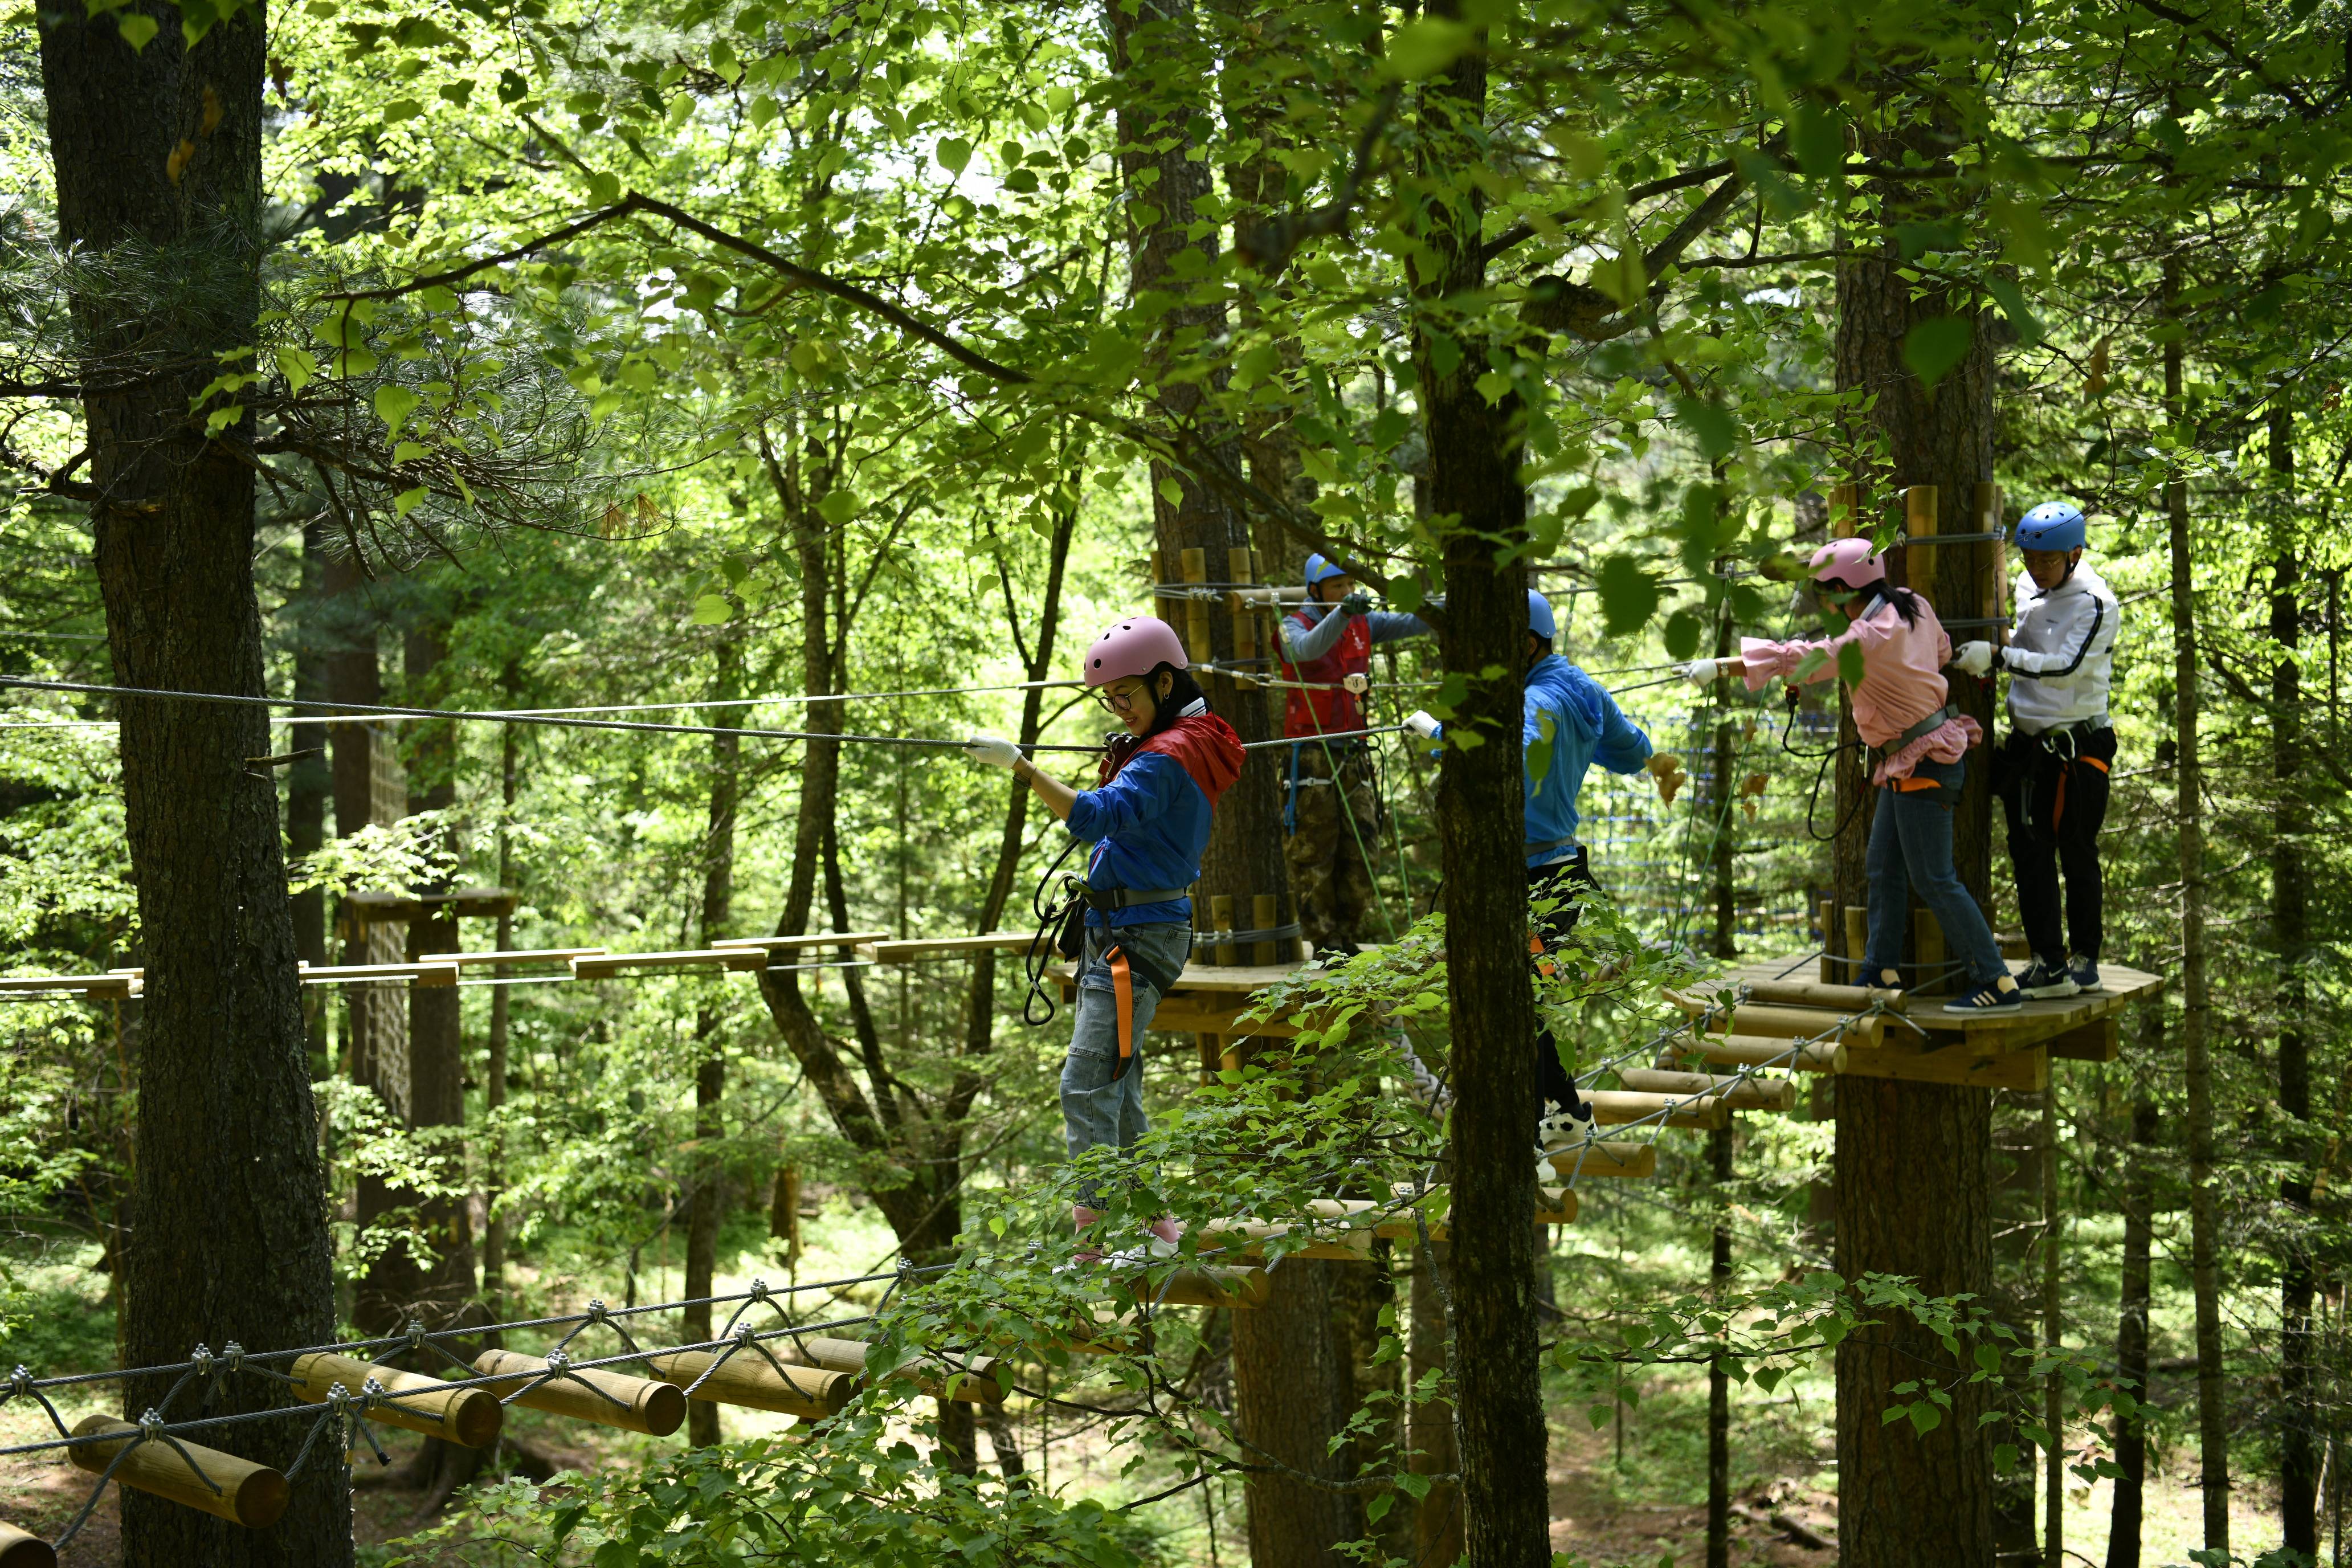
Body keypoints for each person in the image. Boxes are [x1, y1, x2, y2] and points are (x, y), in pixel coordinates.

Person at [963, 615, 1243, 1248]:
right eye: (1110, 699)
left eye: (1128, 696)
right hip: (1123, 927)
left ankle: (1095, 1242)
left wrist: (1024, 768)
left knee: (1085, 1086)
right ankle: (1155, 1228)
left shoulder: (1170, 757)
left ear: (1165, 682)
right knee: (1120, 1086)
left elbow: (1095, 818)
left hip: (1135, 939)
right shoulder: (1176, 741)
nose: (1119, 709)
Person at [1689, 539, 2021, 1012]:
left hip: (1923, 764)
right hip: (1910, 760)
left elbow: (1802, 658)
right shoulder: (1914, 606)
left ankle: (1996, 981)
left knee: (1934, 879)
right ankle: (1880, 971)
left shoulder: (1868, 636)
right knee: (1883, 866)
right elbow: (1941, 650)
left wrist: (1722, 667)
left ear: (1845, 590)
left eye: (1825, 593)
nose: (1823, 604)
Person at [1405, 587, 1653, 1154]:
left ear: (1526, 640)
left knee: (1519, 999)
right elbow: (1636, 751)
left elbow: (1504, 762)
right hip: (1558, 871)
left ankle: (1555, 1116)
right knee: (1529, 995)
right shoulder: (1582, 690)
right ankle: (1565, 1112)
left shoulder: (1538, 702)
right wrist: (1585, 746)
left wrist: (1438, 734)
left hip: (1531, 882)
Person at [1952, 501, 2120, 998]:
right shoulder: (2027, 585)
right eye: (2029, 559)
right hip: (2028, 745)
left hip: (2077, 744)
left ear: (2075, 554)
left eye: (2047, 561)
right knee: (2029, 854)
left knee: (2076, 848)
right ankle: (2049, 960)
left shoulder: (2095, 603)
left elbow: (2066, 666)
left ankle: (2085, 955)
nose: (2036, 570)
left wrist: (1999, 657)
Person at [1278, 552, 1431, 956]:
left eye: (1350, 584)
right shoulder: (1294, 625)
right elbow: (1307, 650)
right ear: (1317, 591)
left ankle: (1348, 936)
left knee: (1364, 846)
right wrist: (1344, 613)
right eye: (1336, 587)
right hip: (1311, 756)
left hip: (1354, 750)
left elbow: (1415, 620)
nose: (1346, 592)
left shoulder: (1364, 621)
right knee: (1314, 852)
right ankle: (1326, 944)